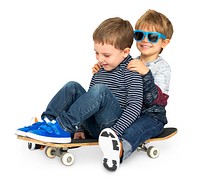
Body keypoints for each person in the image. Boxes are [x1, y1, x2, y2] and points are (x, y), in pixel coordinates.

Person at [16, 17, 143, 171]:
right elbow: (86, 103)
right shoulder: (100, 71)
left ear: (125, 52)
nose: (100, 59)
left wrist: (116, 132)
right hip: (94, 125)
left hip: (112, 126)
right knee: (73, 87)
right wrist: (81, 129)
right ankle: (48, 123)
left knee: (100, 90)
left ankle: (62, 127)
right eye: (97, 53)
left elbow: (135, 107)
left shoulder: (132, 71)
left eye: (106, 55)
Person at [95, 9, 173, 170]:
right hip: (128, 112)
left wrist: (146, 74)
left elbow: (156, 100)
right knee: (123, 123)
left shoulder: (162, 68)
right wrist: (102, 67)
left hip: (151, 116)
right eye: (139, 35)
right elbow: (116, 84)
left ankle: (118, 151)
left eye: (152, 37)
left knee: (134, 130)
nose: (145, 40)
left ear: (164, 43)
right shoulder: (131, 61)